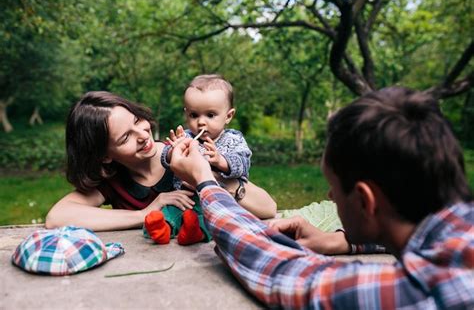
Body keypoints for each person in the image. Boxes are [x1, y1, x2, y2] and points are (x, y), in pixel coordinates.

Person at [168, 87, 473, 309]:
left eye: (334, 189)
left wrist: (204, 180)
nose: (329, 196)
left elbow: (282, 273)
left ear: (366, 201)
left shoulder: (420, 292)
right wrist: (341, 241)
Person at [45, 91, 276, 234]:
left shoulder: (182, 153)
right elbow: (58, 217)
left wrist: (206, 175)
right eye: (126, 137)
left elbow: (268, 208)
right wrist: (147, 212)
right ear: (105, 156)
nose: (143, 134)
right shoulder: (113, 179)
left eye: (137, 120)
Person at [162, 74, 251, 191]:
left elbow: (243, 164)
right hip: (186, 198)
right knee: (163, 210)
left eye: (210, 115)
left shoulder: (233, 139)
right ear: (186, 114)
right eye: (194, 115)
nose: (201, 122)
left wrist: (221, 161)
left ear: (228, 116)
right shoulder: (186, 137)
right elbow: (165, 159)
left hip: (221, 198)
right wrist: (173, 151)